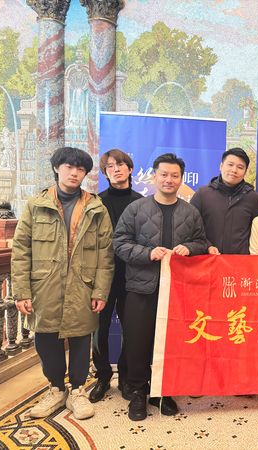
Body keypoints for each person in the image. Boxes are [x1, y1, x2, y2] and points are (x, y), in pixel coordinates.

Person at [12, 147, 114, 420]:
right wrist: (21, 291)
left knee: (81, 337)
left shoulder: (96, 208)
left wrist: (101, 291)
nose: (74, 173)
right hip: (44, 285)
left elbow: (106, 254)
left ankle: (77, 391)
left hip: (83, 285)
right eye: (69, 167)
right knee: (46, 337)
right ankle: (56, 389)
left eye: (80, 169)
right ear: (57, 168)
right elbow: (21, 251)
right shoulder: (36, 205)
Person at [113, 153, 209, 421]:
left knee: (170, 343)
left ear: (181, 179)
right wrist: (147, 253)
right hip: (141, 288)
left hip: (177, 291)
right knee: (137, 342)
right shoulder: (136, 209)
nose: (169, 180)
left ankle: (163, 392)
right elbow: (119, 242)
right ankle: (138, 392)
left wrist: (189, 247)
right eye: (164, 174)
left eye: (175, 175)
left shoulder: (190, 212)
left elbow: (202, 242)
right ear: (154, 176)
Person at [89, 149, 143, 404]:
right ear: (105, 173)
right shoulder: (95, 203)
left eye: (121, 164)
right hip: (102, 277)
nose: (116, 169)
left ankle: (125, 376)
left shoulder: (142, 203)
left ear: (130, 169)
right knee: (99, 329)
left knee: (131, 329)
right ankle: (102, 376)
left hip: (133, 276)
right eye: (110, 166)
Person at [190, 147, 258, 255]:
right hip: (208, 259)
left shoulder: (253, 198)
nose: (234, 170)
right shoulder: (203, 193)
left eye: (240, 167)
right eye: (230, 165)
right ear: (221, 166)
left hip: (240, 261)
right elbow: (191, 227)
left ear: (245, 172)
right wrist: (208, 246)